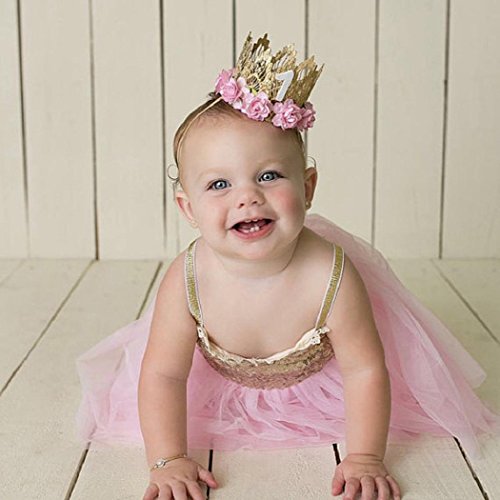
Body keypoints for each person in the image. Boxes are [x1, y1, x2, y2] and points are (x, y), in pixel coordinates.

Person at [76, 32, 500, 500]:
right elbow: (164, 375)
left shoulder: (331, 275)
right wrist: (168, 459)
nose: (247, 196)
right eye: (219, 184)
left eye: (269, 175)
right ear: (188, 208)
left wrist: (364, 456)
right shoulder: (188, 278)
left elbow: (363, 370)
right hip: (218, 389)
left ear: (308, 187)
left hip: (321, 389)